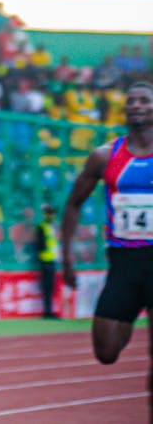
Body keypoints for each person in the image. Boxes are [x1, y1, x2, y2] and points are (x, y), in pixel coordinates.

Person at [61, 81, 153, 414]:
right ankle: (128, 319)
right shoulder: (104, 156)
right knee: (106, 351)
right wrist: (67, 257)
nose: (136, 105)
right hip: (124, 264)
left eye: (144, 100)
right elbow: (73, 204)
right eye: (131, 101)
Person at [34, 203, 59, 319]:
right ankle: (47, 312)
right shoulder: (42, 226)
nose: (51, 215)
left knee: (51, 286)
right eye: (49, 213)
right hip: (45, 260)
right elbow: (39, 244)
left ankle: (50, 311)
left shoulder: (53, 226)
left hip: (53, 259)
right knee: (47, 286)